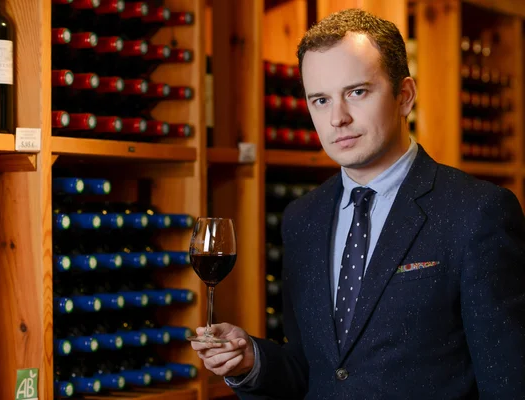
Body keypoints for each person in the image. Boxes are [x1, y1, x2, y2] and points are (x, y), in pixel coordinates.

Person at [190, 8, 525, 400]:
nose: (337, 118)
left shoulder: (478, 212)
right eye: (320, 100)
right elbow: (317, 369)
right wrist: (252, 360)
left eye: (357, 92)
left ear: (404, 96)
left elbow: (509, 383)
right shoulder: (302, 218)